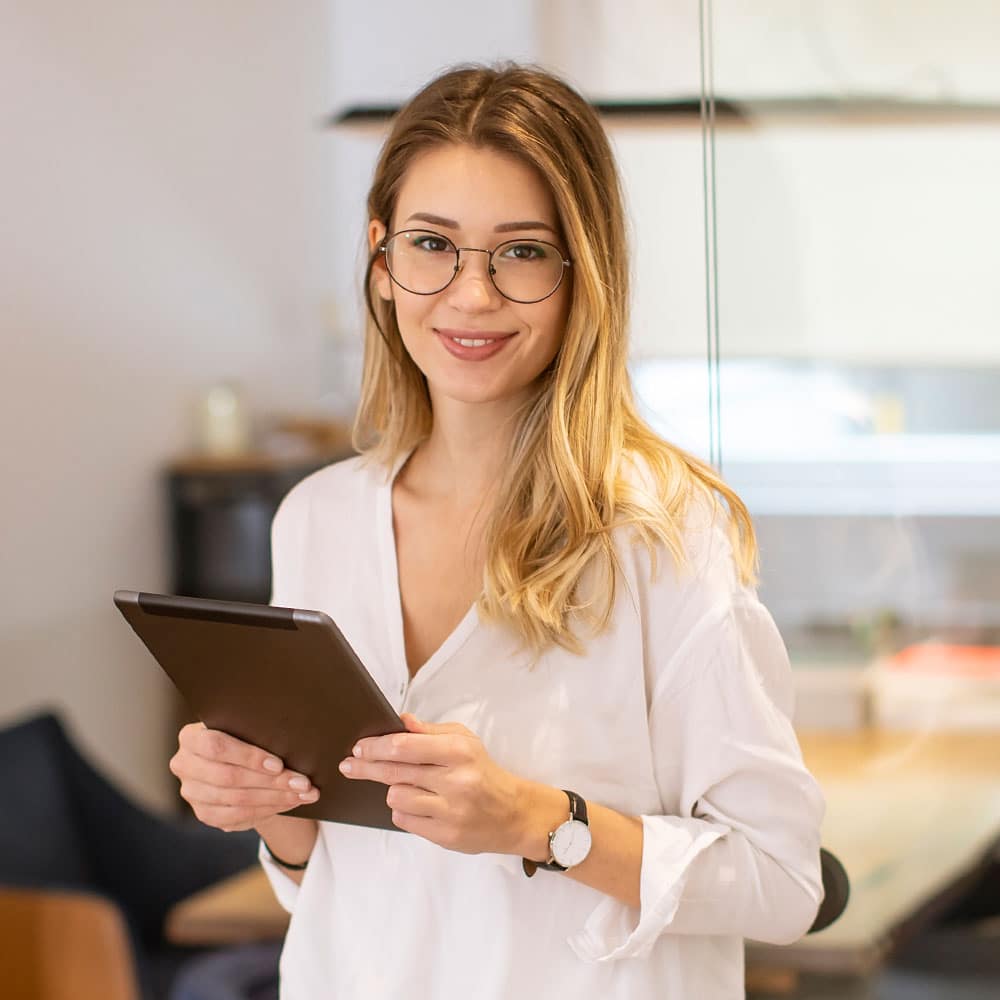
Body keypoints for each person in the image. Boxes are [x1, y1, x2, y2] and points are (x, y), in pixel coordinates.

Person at [169, 63, 825, 999]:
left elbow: (781, 882)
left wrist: (534, 820)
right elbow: (335, 880)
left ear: (581, 273)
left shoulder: (663, 531)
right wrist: (263, 805)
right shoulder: (318, 519)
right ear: (382, 260)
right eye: (432, 244)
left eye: (520, 252)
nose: (471, 295)